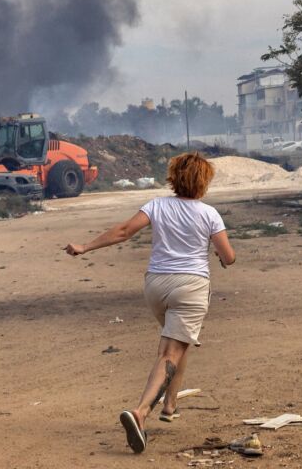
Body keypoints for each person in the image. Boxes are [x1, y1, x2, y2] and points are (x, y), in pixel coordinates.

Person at [63, 152, 235, 454]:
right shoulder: (209, 214)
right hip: (190, 287)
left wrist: (85, 247)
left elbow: (124, 231)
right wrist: (220, 255)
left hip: (156, 286)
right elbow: (228, 256)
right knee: (171, 351)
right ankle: (141, 412)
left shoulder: (156, 205)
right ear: (204, 182)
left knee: (176, 345)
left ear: (174, 178)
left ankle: (170, 404)